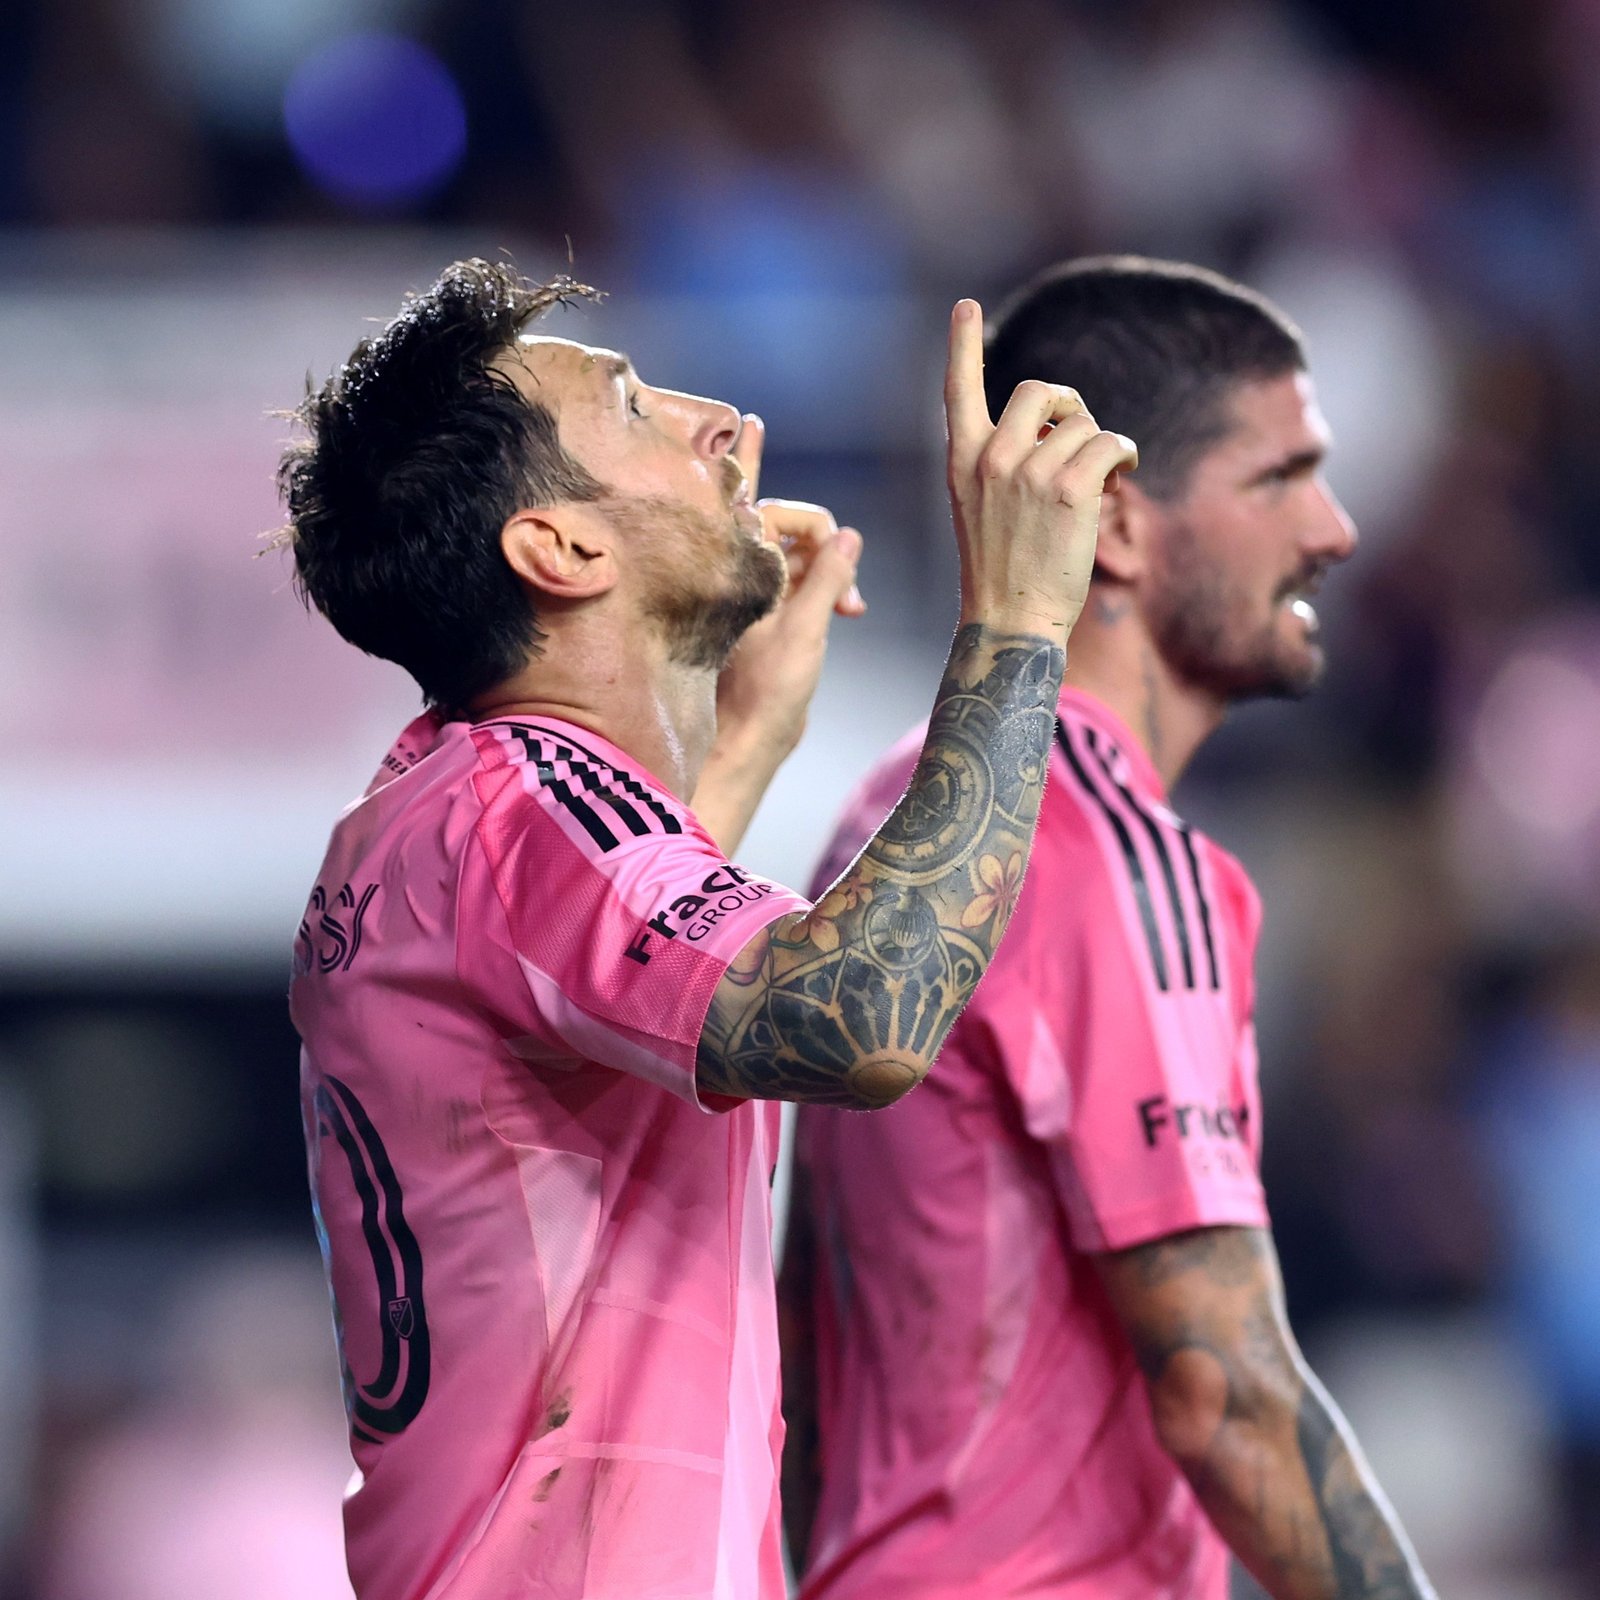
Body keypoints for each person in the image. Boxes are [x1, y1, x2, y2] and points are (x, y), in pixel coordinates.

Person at [277, 258, 1135, 1600]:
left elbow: (606, 1005)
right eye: (634, 406)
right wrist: (1020, 623)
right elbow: (859, 1019)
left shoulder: (444, 810)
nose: (723, 421)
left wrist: (743, 746)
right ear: (561, 551)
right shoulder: (528, 805)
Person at [783, 257, 1438, 1600]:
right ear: (1122, 525)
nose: (1333, 528)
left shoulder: (893, 814)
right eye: (1280, 477)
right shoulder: (1113, 852)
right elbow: (1227, 1393)